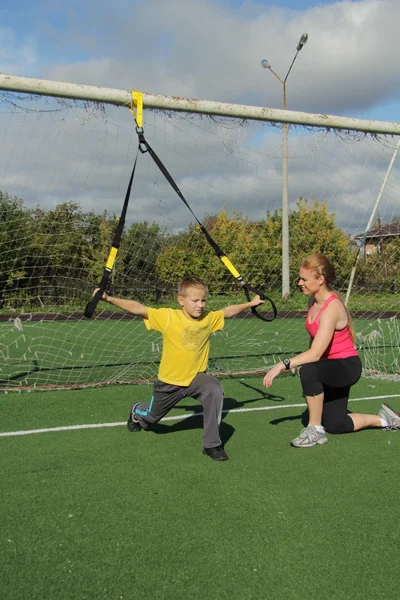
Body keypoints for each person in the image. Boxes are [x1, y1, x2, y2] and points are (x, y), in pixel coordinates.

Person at [95, 276, 264, 461]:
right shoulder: (168, 317)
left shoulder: (208, 319)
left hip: (195, 380)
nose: (200, 305)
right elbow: (139, 308)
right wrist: (108, 299)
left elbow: (227, 312)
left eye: (203, 300)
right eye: (195, 301)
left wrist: (251, 303)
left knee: (214, 388)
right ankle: (137, 411)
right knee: (151, 418)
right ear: (181, 301)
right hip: (169, 383)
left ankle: (212, 445)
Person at [263, 254, 400, 448]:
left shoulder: (332, 307)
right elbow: (315, 343)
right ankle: (386, 419)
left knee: (309, 369)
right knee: (336, 424)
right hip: (330, 367)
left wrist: (282, 364)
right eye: (299, 278)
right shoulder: (312, 302)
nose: (299, 282)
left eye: (304, 279)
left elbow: (316, 355)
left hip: (346, 366)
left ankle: (315, 430)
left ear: (320, 279)